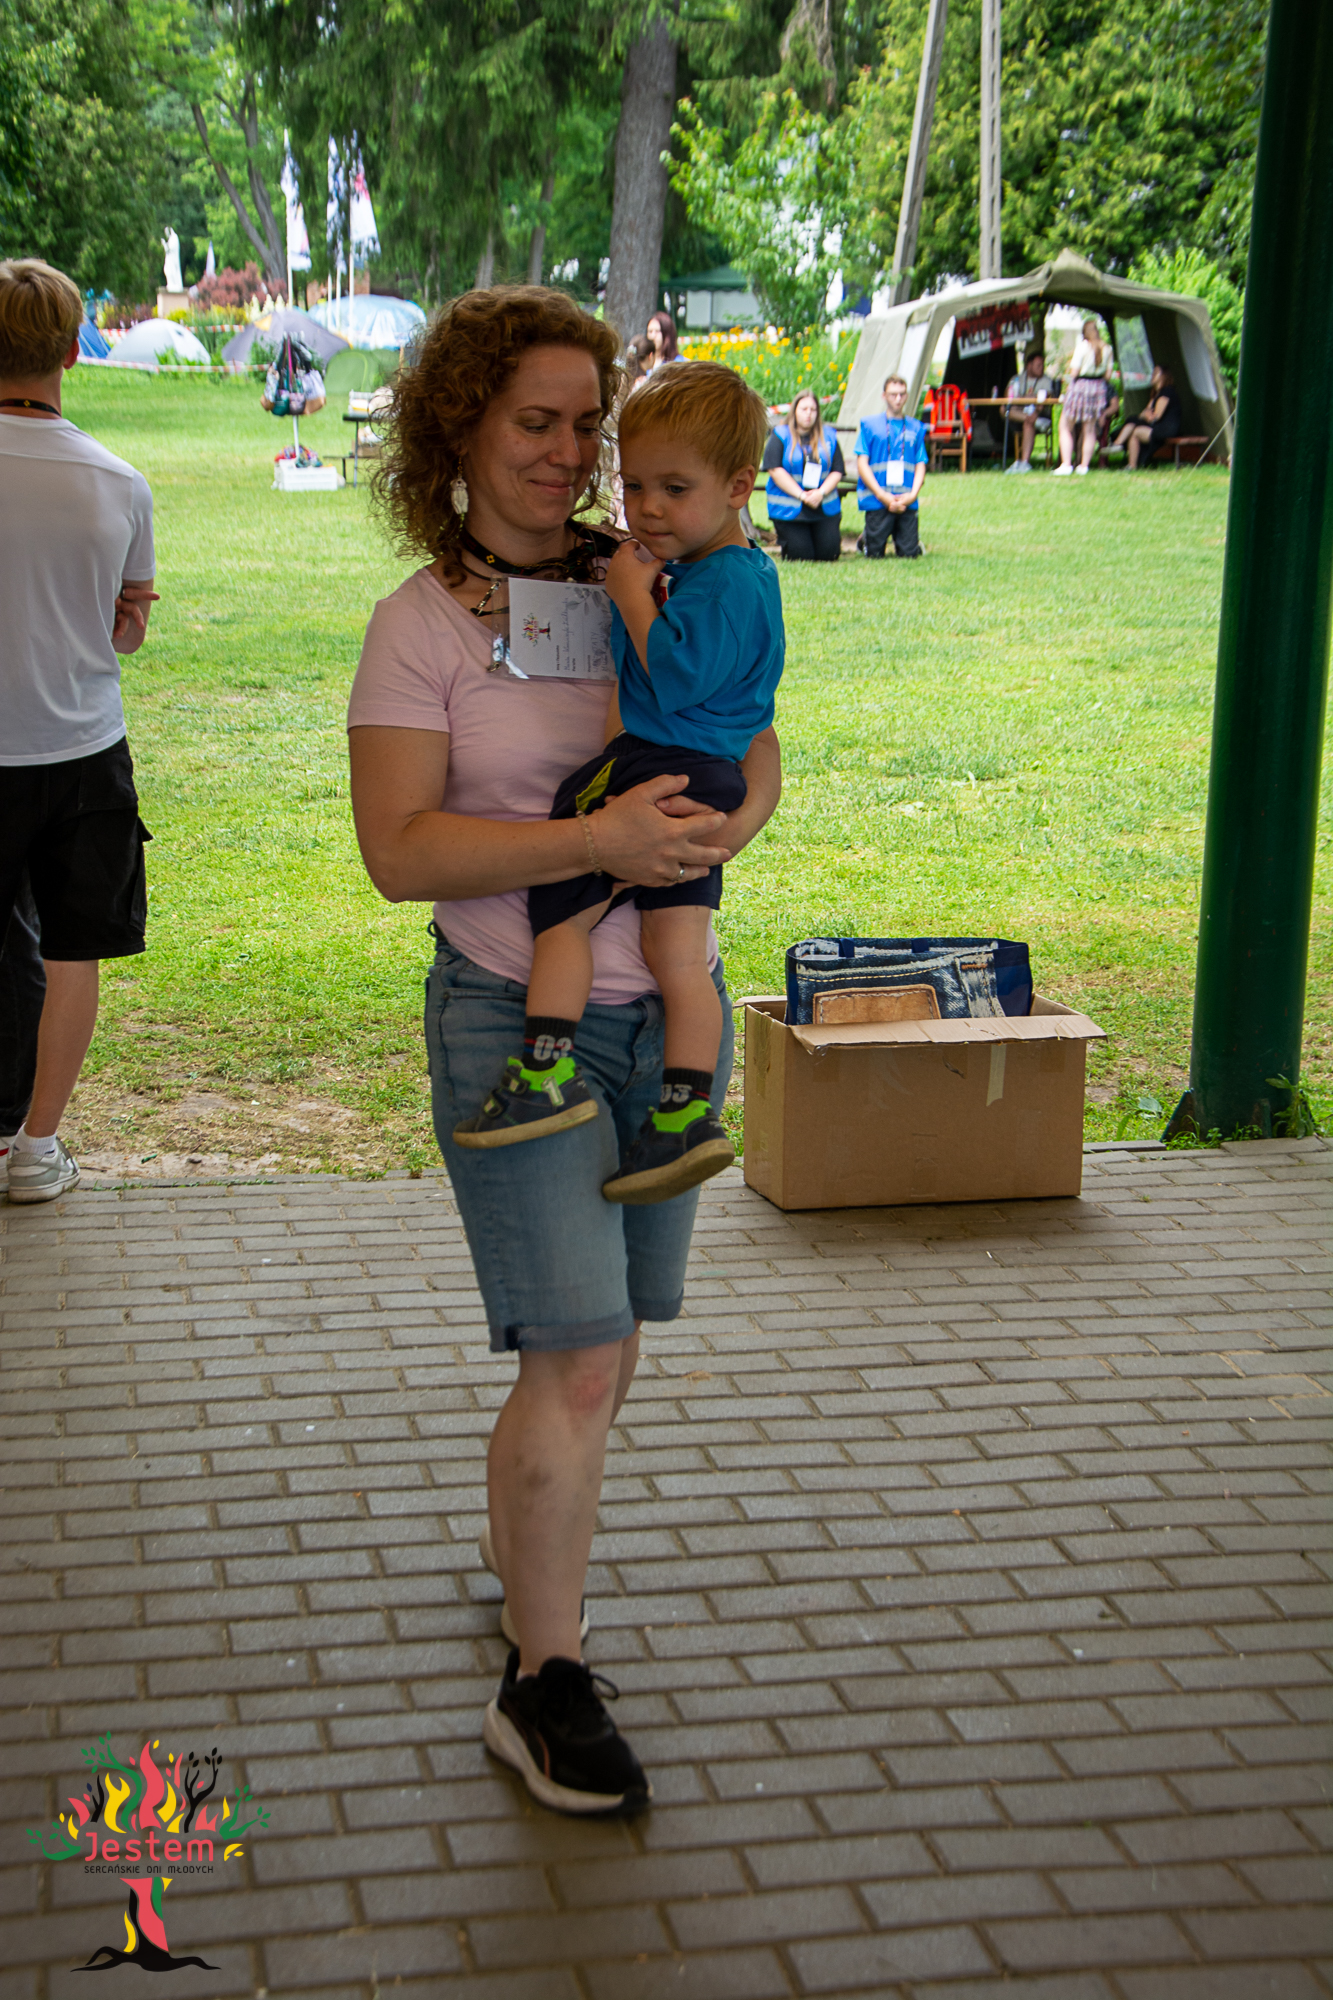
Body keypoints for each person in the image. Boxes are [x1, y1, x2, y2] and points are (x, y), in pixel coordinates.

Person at [346, 286, 781, 1815]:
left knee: (607, 1346)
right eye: (534, 421)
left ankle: (524, 1552)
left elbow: (750, 743)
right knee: (581, 1357)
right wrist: (592, 840)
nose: (567, 452)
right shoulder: (418, 629)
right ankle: (542, 1681)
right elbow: (399, 851)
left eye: (584, 423)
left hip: (665, 1017)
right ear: (457, 430)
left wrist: (721, 827)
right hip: (508, 1020)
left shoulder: (649, 571)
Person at [454, 359, 782, 1207]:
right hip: (707, 774)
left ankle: (542, 1070)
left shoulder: (721, 581)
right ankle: (685, 1116)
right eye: (635, 486)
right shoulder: (737, 573)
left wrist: (634, 595)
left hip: (653, 764)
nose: (649, 509)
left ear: (738, 486)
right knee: (677, 952)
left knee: (562, 909)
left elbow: (674, 676)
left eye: (675, 488)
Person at [0, 258, 157, 1203]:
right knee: (71, 950)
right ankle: (37, 1147)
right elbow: (126, 630)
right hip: (82, 750)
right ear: (71, 351)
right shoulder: (117, 482)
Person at [762, 388, 844, 559]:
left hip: (822, 504)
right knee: (801, 555)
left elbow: (837, 470)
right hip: (791, 508)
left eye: (813, 409)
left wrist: (820, 493)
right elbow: (774, 469)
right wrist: (802, 495)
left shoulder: (829, 436)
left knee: (829, 554)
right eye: (804, 409)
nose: (808, 414)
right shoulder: (780, 434)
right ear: (794, 410)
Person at [855, 373, 928, 557]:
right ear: (884, 396)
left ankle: (911, 541)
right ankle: (866, 539)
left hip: (905, 500)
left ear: (907, 396)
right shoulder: (869, 426)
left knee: (909, 554)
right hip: (878, 499)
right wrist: (882, 495)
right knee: (874, 554)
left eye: (902, 394)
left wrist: (912, 495)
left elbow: (921, 463)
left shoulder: (916, 427)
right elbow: (862, 463)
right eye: (893, 394)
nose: (898, 399)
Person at [1054, 317, 1112, 476]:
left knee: (1065, 425)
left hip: (1080, 387)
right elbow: (1108, 375)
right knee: (1090, 429)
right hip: (1098, 388)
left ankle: (1066, 464)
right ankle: (1084, 466)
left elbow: (1074, 372)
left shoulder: (1083, 347)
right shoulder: (1107, 348)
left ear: (1084, 333)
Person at [1110, 364, 1182, 469]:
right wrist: (1144, 415)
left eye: (1156, 373)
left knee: (1134, 423)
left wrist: (1145, 416)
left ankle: (1118, 445)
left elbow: (1155, 417)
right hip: (1157, 427)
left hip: (1166, 429)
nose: (1152, 375)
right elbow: (1146, 413)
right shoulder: (1155, 394)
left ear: (1164, 376)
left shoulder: (1167, 391)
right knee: (1134, 423)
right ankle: (1130, 463)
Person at [1002, 350, 1057, 473]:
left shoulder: (1046, 380)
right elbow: (1008, 397)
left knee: (1028, 423)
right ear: (1029, 366)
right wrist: (1025, 398)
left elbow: (1044, 401)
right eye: (1038, 365)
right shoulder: (1017, 379)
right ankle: (1032, 419)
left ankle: (1024, 463)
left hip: (1039, 415)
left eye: (1042, 365)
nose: (1041, 368)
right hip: (1021, 415)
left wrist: (1029, 399)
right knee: (1004, 409)